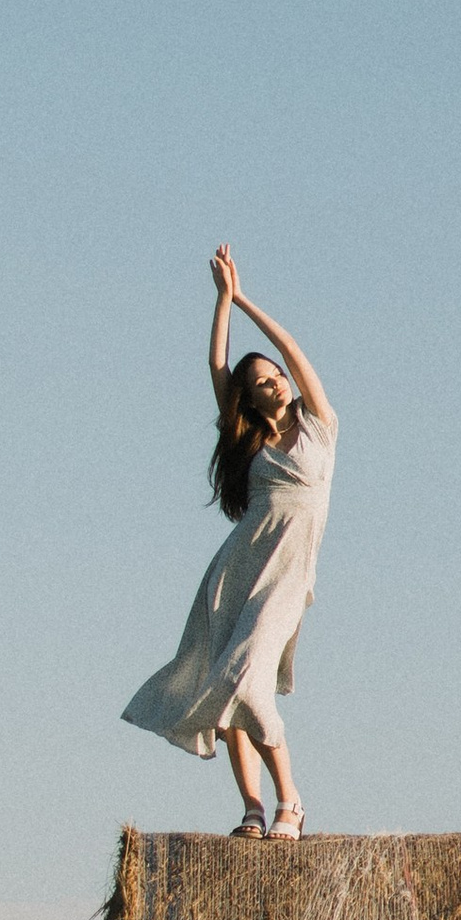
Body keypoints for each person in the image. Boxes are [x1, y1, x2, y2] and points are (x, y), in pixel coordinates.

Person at [122, 247, 337, 838]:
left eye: (277, 376)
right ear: (252, 398)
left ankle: (291, 800)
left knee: (245, 676)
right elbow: (218, 367)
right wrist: (219, 304)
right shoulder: (252, 440)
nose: (276, 382)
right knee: (226, 688)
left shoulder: (319, 426)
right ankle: (253, 808)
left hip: (287, 577)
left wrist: (242, 300)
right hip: (237, 569)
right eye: (263, 382)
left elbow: (292, 348)